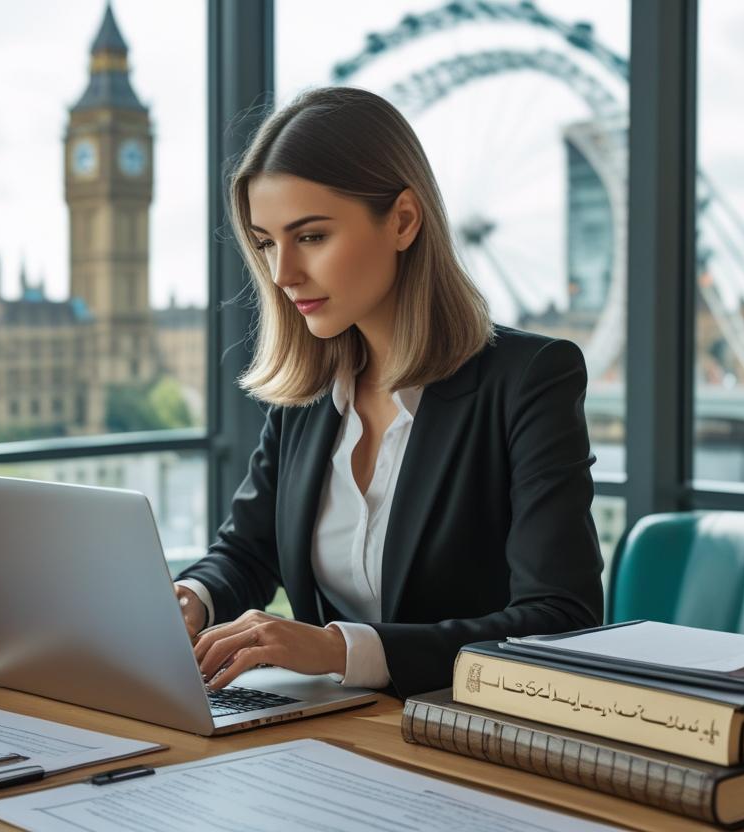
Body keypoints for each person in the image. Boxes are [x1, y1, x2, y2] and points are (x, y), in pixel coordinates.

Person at [175, 86, 604, 699]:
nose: (282, 273)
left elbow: (560, 620)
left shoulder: (531, 379)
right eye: (266, 242)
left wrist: (338, 649)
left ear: (403, 220)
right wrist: (192, 596)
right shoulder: (308, 396)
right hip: (328, 730)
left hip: (466, 732)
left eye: (311, 237)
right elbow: (247, 551)